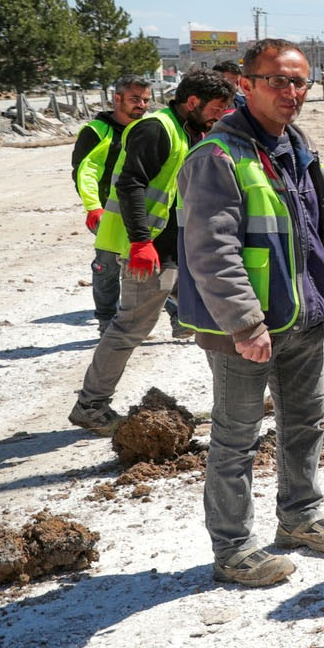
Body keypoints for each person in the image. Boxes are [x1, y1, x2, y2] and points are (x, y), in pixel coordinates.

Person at [174, 38, 324, 587]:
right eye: (277, 81)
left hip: (300, 317)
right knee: (236, 437)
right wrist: (243, 321)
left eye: (299, 82)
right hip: (248, 329)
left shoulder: (293, 144)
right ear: (247, 84)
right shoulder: (216, 157)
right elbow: (212, 249)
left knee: (305, 422)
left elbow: (311, 234)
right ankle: (233, 548)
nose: (290, 92)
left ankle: (300, 516)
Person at [69, 68, 235, 435]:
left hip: (179, 248)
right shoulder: (157, 128)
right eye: (217, 107)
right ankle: (91, 406)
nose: (221, 114)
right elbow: (130, 185)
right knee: (132, 326)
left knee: (215, 318)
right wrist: (140, 242)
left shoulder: (192, 129)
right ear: (192, 102)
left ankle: (234, 401)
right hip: (148, 248)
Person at [71, 75, 153, 332]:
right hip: (108, 212)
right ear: (117, 99)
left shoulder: (149, 127)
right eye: (135, 99)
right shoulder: (96, 131)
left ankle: (176, 316)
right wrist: (92, 206)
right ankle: (106, 320)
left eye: (146, 100)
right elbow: (84, 171)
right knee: (106, 267)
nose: (141, 105)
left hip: (143, 209)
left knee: (156, 262)